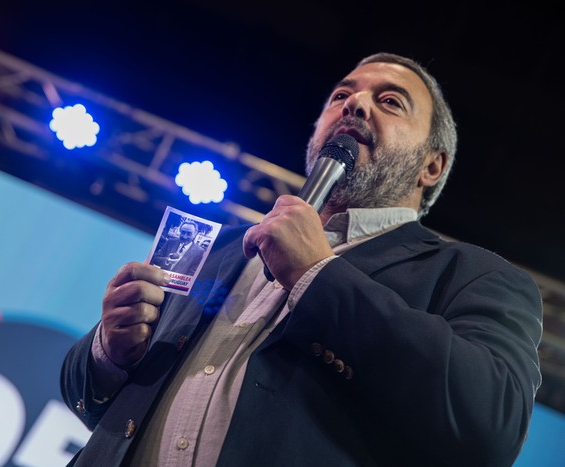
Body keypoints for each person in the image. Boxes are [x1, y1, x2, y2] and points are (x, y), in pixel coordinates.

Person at [61, 52, 543, 466]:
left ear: (431, 166)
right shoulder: (218, 246)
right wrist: (109, 350)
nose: (355, 103)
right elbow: (88, 398)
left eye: (390, 101)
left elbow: (488, 425)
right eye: (341, 96)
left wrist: (318, 275)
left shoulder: (473, 277)